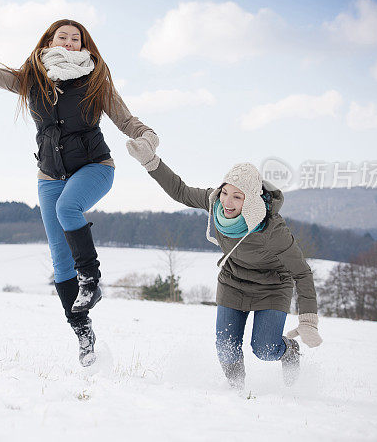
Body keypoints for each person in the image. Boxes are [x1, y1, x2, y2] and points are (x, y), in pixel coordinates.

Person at [0, 17, 157, 366]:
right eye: (63, 36)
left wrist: (147, 138)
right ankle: (82, 331)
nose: (70, 42)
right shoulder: (33, 78)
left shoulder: (95, 82)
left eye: (76, 38)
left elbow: (127, 121)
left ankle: (91, 279)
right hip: (49, 177)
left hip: (94, 168)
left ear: (84, 45)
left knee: (67, 208)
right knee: (60, 260)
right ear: (49, 40)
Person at [125, 140, 322, 389]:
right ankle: (237, 394)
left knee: (265, 348)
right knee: (226, 348)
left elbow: (302, 273)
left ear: (250, 200)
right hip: (233, 282)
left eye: (237, 197)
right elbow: (180, 191)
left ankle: (289, 350)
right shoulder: (214, 202)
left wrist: (307, 320)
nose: (228, 202)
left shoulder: (273, 229)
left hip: (272, 287)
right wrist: (150, 161)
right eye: (226, 192)